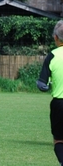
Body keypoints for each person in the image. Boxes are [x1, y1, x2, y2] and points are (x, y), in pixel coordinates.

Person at [37, 20, 63, 166]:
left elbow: (42, 82)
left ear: (55, 37)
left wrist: (42, 86)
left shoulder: (52, 56)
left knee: (59, 140)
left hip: (59, 104)